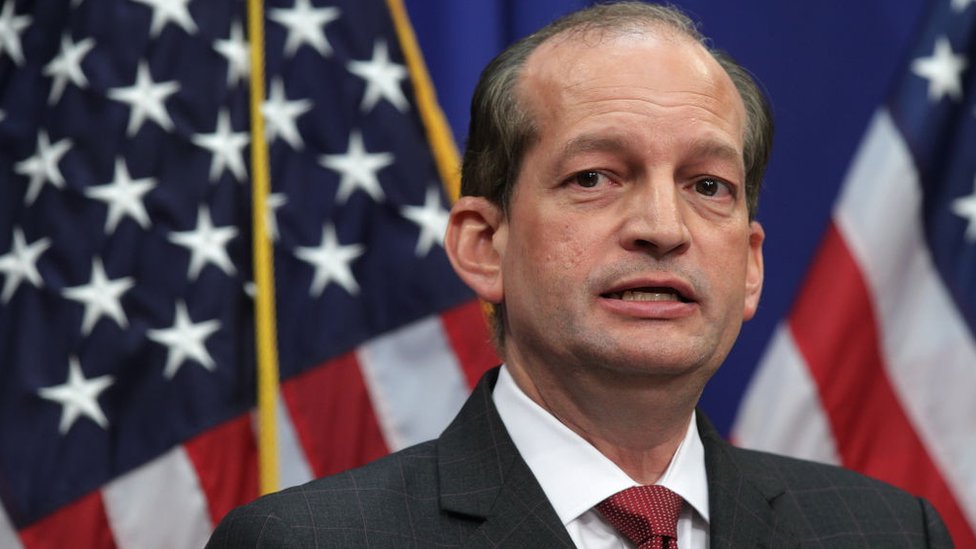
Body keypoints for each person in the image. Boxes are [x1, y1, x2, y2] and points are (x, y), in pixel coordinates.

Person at [208, 2, 952, 547]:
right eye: (594, 177)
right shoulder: (308, 541)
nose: (663, 227)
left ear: (751, 265)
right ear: (483, 245)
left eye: (708, 186)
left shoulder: (889, 533)